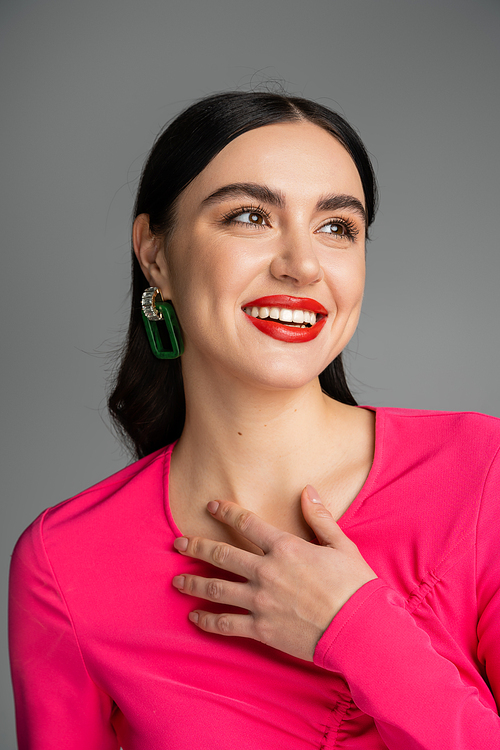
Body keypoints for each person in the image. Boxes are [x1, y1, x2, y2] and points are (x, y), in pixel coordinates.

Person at [8, 91, 500, 749]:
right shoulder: (62, 562)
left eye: (336, 228)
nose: (301, 265)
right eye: (249, 216)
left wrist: (356, 629)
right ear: (155, 255)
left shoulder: (481, 471)